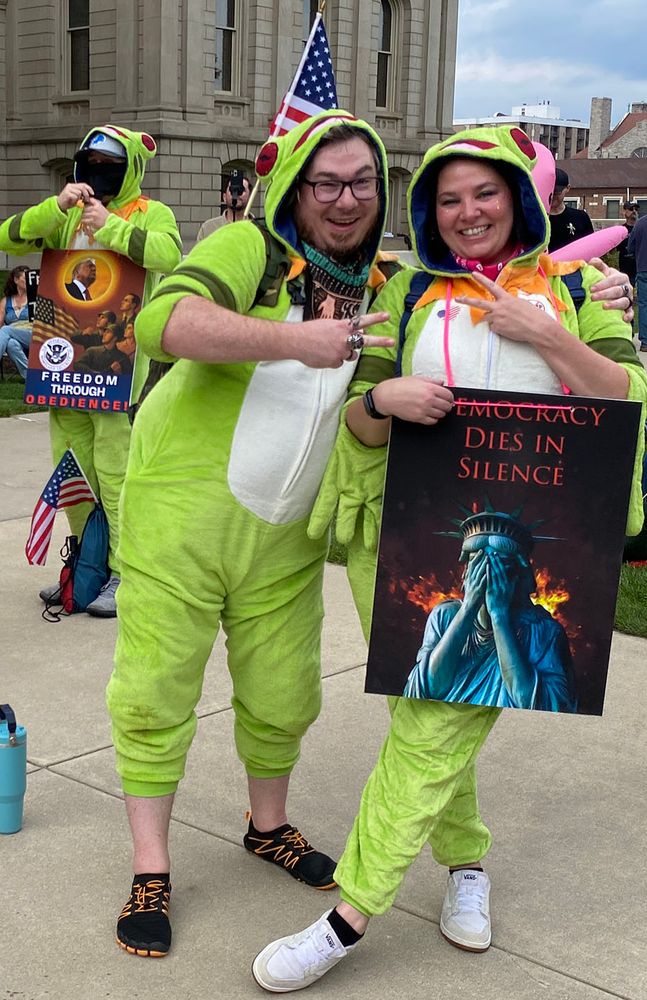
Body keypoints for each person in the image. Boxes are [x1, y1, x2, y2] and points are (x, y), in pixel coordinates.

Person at [252, 125, 647, 993]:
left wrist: (537, 331)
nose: (468, 212)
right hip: (413, 540)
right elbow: (357, 419)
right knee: (423, 709)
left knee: (432, 727)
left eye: (485, 193)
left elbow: (623, 394)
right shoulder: (409, 292)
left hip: (530, 549)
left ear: (519, 197)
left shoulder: (578, 286)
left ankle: (348, 915)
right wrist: (383, 398)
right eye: (448, 197)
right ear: (430, 209)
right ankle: (467, 865)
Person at [106, 111, 399, 960]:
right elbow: (161, 322)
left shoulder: (383, 284)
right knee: (155, 692)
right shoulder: (251, 250)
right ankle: (150, 865)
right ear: (297, 185)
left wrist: (593, 299)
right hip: (180, 523)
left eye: (361, 183)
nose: (344, 201)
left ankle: (265, 825)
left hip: (285, 538)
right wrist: (293, 342)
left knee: (283, 695)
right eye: (326, 182)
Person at [0, 125, 182, 616]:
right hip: (61, 368)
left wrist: (112, 226)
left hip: (118, 375)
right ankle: (85, 565)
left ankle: (124, 572)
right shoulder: (67, 215)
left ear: (130, 168)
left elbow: (169, 254)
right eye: (91, 163)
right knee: (73, 475)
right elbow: (9, 236)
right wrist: (56, 207)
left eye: (110, 164)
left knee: (116, 476)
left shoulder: (151, 213)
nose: (99, 173)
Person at [402, 509, 576, 712]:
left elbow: (541, 705)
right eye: (477, 562)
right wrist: (468, 607)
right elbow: (425, 691)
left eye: (500, 565)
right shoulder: (445, 616)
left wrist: (499, 616)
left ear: (518, 575)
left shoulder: (542, 630)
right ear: (466, 571)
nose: (487, 572)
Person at [195, 172, 253, 241]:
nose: (236, 193)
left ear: (250, 197)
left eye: (241, 189)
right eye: (232, 189)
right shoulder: (208, 228)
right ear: (224, 197)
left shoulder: (260, 229)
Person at [548, 167, 594, 252]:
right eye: (550, 191)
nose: (553, 195)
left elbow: (590, 247)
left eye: (557, 192)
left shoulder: (581, 218)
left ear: (568, 188)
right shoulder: (536, 219)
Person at [0, 265, 32, 379]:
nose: (28, 280)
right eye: (25, 278)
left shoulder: (35, 298)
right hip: (12, 336)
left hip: (32, 335)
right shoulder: (6, 301)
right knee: (11, 344)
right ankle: (30, 377)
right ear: (16, 280)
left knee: (5, 329)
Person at [627, 209, 647, 352]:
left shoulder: (639, 224)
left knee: (643, 305)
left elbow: (630, 247)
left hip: (643, 268)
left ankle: (645, 341)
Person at [618, 201, 638, 288]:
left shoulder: (641, 228)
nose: (634, 211)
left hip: (640, 269)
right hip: (626, 270)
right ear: (624, 212)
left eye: (636, 209)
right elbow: (612, 250)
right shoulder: (621, 230)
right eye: (631, 209)